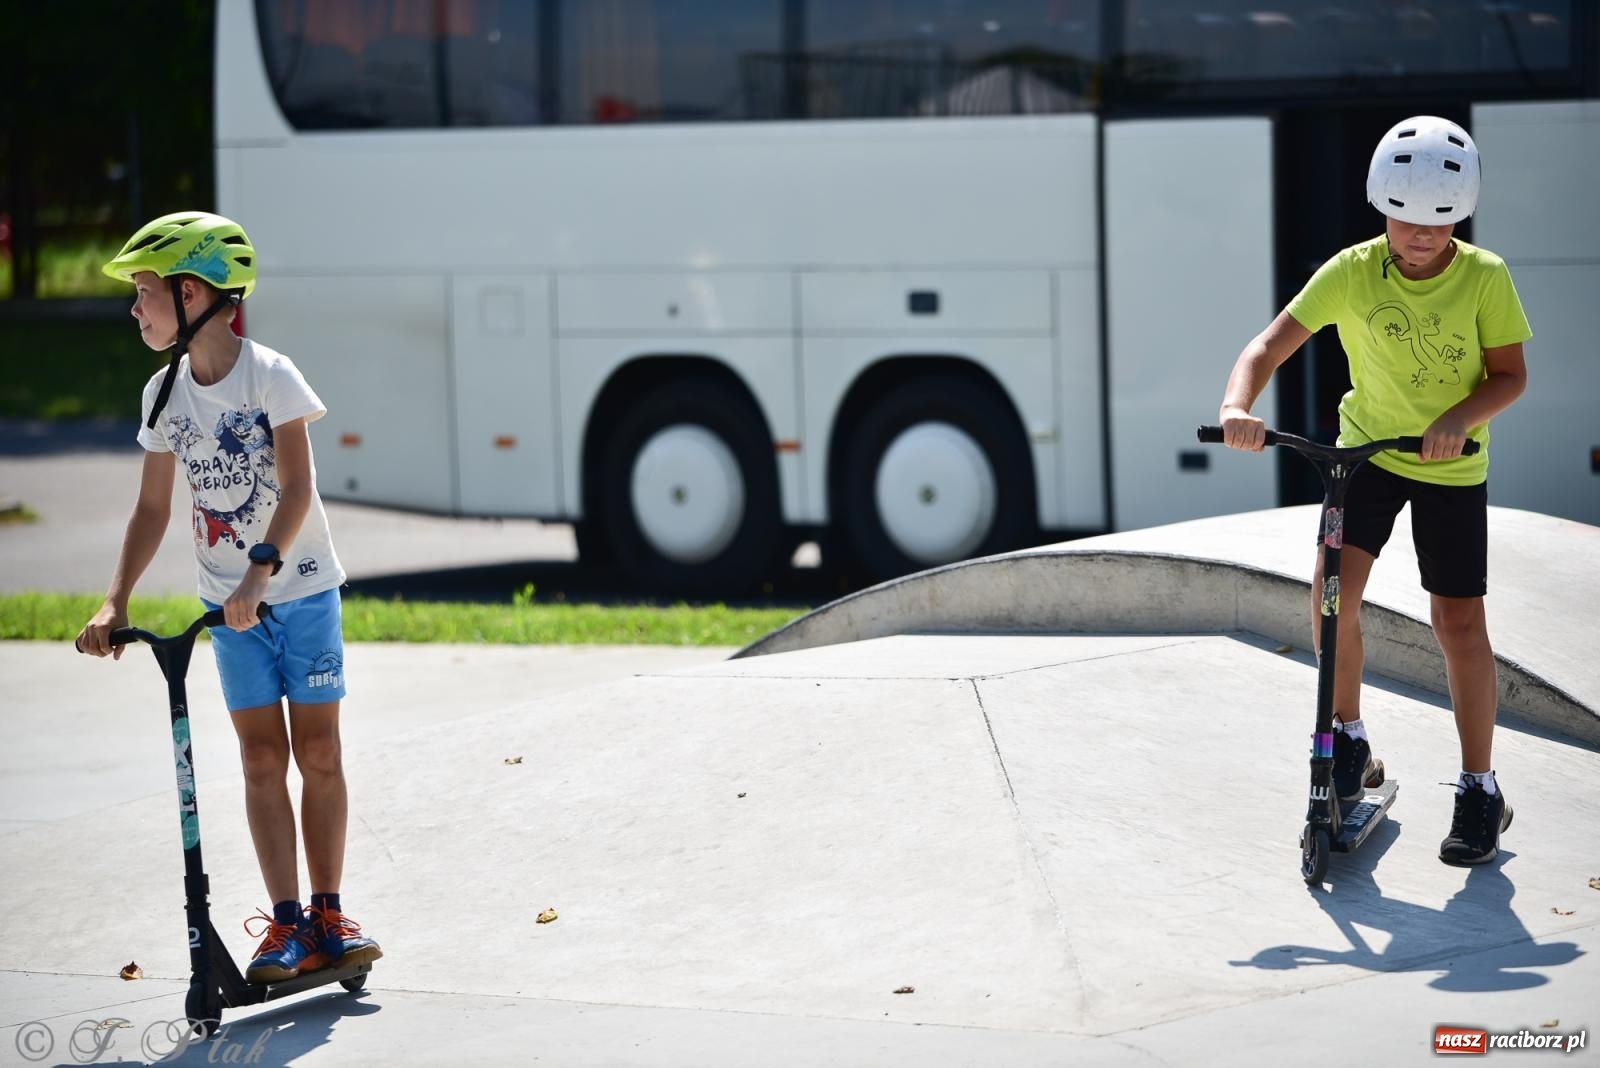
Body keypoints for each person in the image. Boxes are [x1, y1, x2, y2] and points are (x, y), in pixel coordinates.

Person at [1216, 116, 1530, 866]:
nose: (1421, 234)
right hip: (1366, 456)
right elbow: (1266, 346)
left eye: (1439, 219)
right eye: (1406, 217)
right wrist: (1237, 406)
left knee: (1456, 623)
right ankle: (1349, 740)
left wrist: (1457, 418)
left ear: (1461, 213)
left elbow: (1510, 375)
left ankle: (1479, 788)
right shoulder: (1351, 271)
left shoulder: (1484, 277)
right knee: (1331, 597)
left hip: (1449, 462)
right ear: (1381, 207)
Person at [76, 211, 382, 978]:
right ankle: (285, 926)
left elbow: (299, 486)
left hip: (301, 594)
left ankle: (330, 914)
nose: (135, 308)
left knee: (317, 751)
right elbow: (151, 510)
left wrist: (259, 574)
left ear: (191, 294)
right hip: (230, 610)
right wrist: (116, 603)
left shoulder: (270, 375)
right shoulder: (163, 395)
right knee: (257, 760)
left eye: (143, 292)